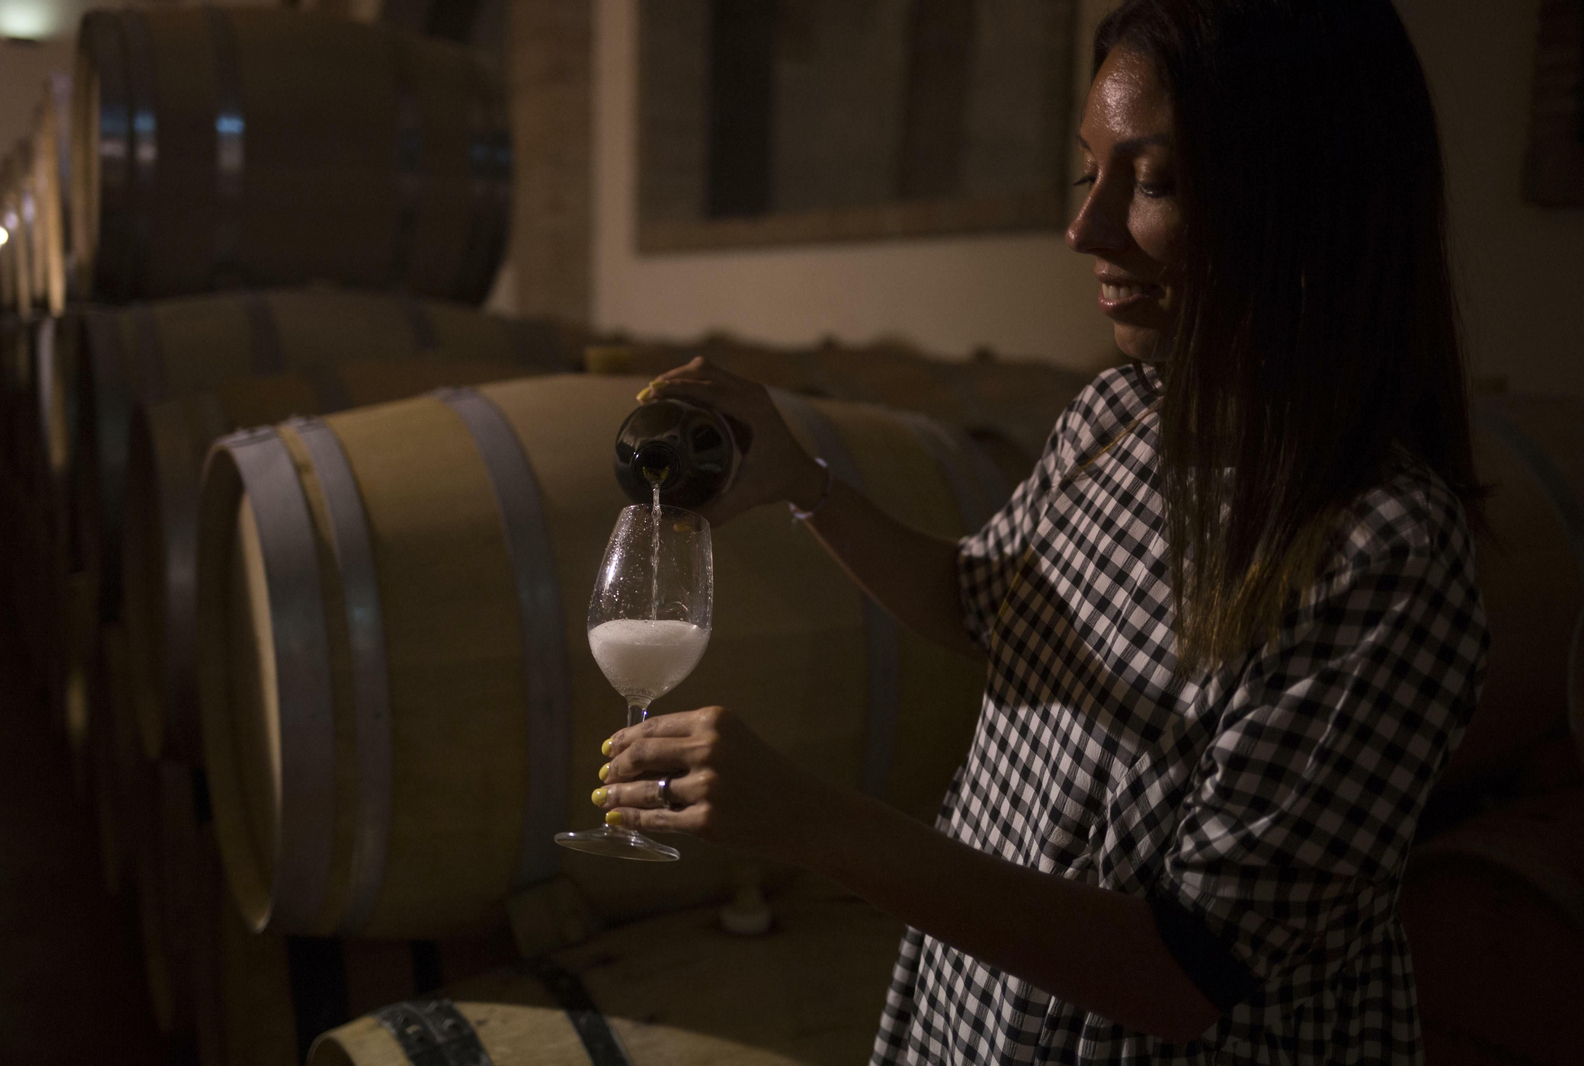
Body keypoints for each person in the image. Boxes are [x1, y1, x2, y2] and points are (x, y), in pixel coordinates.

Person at [593, 0, 1487, 1061]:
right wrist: (802, 482)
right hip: (977, 1015)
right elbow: (979, 605)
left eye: (1154, 182)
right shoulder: (1117, 416)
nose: (1085, 229)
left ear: (1310, 202)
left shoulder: (1385, 554)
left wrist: (814, 823)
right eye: (1088, 172)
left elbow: (1186, 973)